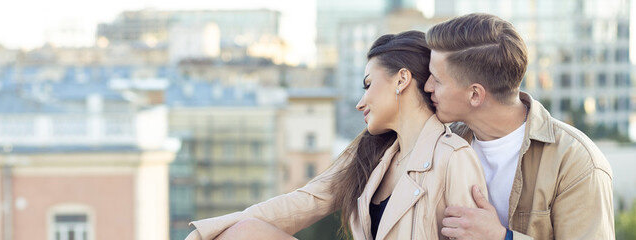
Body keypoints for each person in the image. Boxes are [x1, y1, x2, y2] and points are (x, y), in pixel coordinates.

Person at [186, 31, 488, 240]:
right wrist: (208, 232)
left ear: (402, 79)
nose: (360, 102)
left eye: (368, 84)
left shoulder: (454, 157)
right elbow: (301, 203)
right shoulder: (374, 156)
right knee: (244, 232)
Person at [423, 13, 615, 239]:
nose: (427, 87)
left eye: (437, 79)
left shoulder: (576, 161)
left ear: (475, 94)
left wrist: (502, 237)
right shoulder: (440, 145)